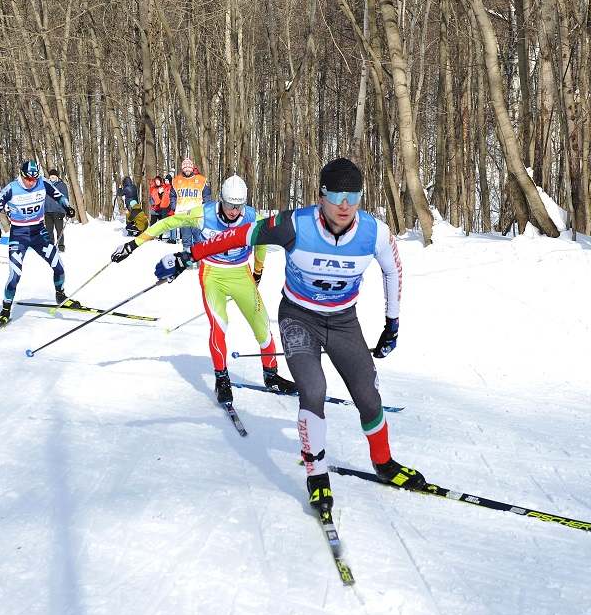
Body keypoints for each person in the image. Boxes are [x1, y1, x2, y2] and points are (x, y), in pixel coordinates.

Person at [153, 158, 420, 514]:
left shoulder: (375, 232)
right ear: (321, 194)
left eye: (353, 196)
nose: (345, 205)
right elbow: (241, 235)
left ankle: (385, 464)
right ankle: (317, 476)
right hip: (299, 319)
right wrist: (190, 253)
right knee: (313, 390)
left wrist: (393, 322)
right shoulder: (295, 224)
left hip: (343, 321)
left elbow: (393, 270)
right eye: (337, 195)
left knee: (368, 397)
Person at [113, 175, 294, 401]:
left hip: (241, 273)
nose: (233, 211)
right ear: (221, 200)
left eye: (238, 205)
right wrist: (133, 244)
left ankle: (271, 375)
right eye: (229, 204)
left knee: (262, 326)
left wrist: (258, 270)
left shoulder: (252, 216)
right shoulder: (204, 213)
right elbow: (168, 222)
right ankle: (221, 378)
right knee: (219, 326)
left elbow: (261, 242)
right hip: (212, 274)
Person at [0, 161, 74, 326]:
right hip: (19, 235)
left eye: (34, 179)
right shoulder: (11, 188)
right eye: (28, 179)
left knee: (59, 266)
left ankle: (60, 295)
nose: (31, 183)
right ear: (21, 175)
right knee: (15, 275)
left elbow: (60, 197)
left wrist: (67, 207)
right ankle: (6, 310)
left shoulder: (42, 182)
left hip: (38, 232)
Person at [171, 158, 211, 249]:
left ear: (192, 168)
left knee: (198, 239)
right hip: (183, 214)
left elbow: (207, 196)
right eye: (185, 168)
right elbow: (172, 195)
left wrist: (206, 209)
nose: (187, 170)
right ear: (182, 168)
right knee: (186, 240)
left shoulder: (200, 180)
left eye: (189, 168)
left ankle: (199, 261)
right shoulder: (177, 181)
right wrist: (174, 207)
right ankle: (187, 261)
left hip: (197, 214)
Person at [44, 167, 70, 251]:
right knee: (49, 231)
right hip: (47, 211)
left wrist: (63, 210)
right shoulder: (46, 185)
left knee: (59, 230)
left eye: (54, 176)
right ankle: (51, 246)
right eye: (51, 176)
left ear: (57, 177)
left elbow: (65, 198)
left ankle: (61, 246)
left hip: (58, 211)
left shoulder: (61, 185)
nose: (52, 177)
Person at [148, 175, 177, 243]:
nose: (166, 181)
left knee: (172, 223)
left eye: (167, 180)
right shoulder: (163, 188)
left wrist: (173, 207)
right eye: (165, 180)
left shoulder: (172, 188)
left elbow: (173, 197)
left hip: (169, 206)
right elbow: (159, 197)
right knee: (167, 223)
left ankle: (173, 238)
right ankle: (171, 237)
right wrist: (160, 193)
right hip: (163, 206)